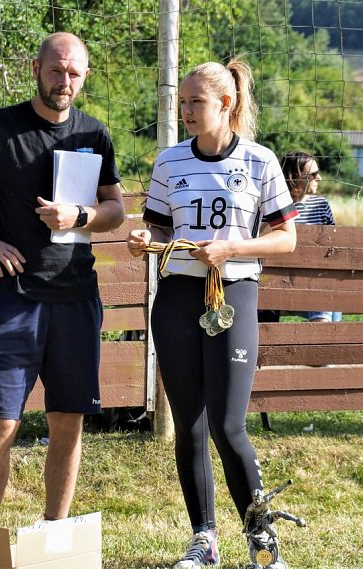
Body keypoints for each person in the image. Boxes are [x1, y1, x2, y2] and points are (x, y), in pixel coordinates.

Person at [0, 32, 125, 568]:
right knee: (1, 423)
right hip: (13, 298)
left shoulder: (94, 134)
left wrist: (80, 216)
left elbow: (116, 210)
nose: (64, 81)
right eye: (56, 70)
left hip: (76, 297)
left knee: (68, 421)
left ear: (85, 76)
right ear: (36, 68)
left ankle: (55, 545)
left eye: (74, 73)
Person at [126, 58, 298, 569]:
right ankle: (205, 539)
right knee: (190, 425)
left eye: (195, 102)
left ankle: (262, 539)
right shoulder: (169, 161)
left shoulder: (261, 161)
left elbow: (286, 238)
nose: (186, 111)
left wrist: (231, 249)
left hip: (233, 295)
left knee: (228, 425)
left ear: (226, 104)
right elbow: (160, 228)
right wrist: (146, 238)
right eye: (182, 102)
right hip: (176, 298)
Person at [258, 151, 341, 324]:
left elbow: (332, 246)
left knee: (328, 295)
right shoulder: (270, 207)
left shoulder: (320, 205)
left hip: (312, 281)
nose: (319, 178)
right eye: (313, 175)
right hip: (276, 281)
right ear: (295, 178)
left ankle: (321, 328)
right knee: (329, 303)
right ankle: (322, 330)